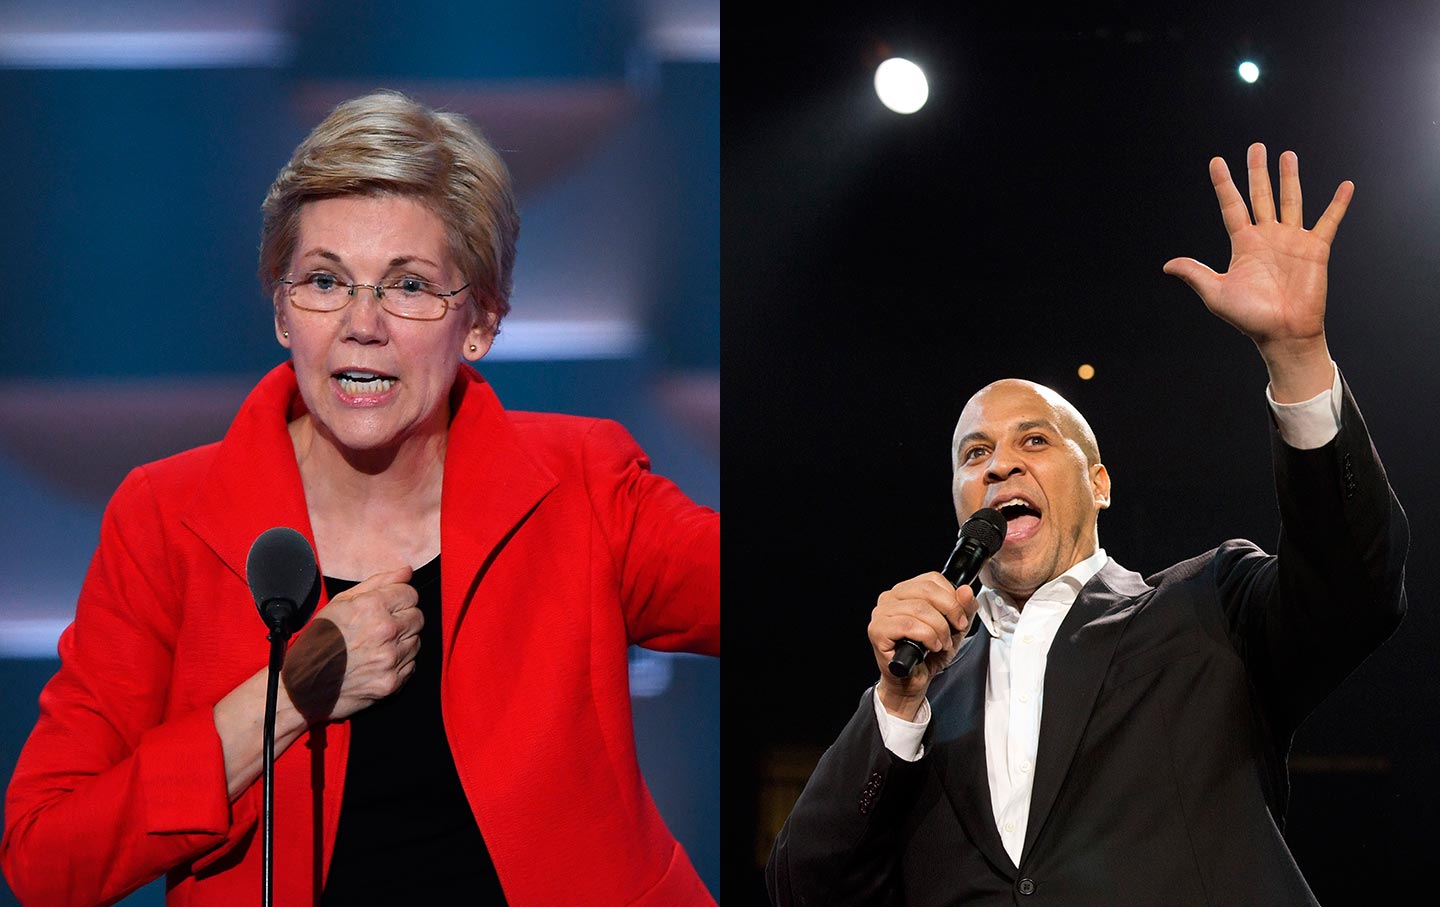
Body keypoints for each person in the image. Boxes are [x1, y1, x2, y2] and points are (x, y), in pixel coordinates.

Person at [1, 90, 719, 906]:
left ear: (480, 319)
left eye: (409, 285)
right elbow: (46, 856)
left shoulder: (583, 481)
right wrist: (283, 702)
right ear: (281, 310)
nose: (361, 323)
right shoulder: (164, 515)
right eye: (324, 280)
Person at [766, 143, 1407, 905]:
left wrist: (1297, 357)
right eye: (975, 453)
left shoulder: (1210, 607)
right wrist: (896, 706)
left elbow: (1355, 584)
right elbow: (803, 886)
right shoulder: (921, 692)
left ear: (1098, 482)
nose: (999, 463)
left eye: (1033, 440)